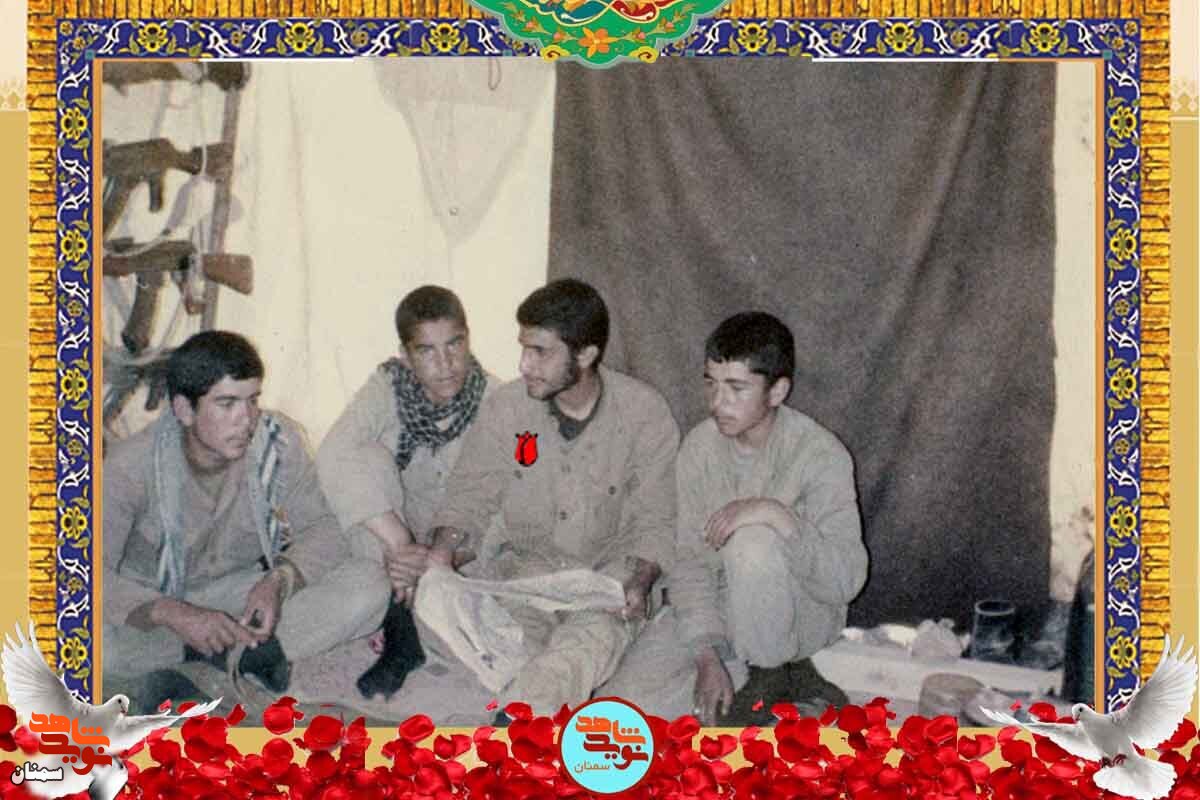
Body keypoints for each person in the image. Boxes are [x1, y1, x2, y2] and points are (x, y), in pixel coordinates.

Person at [421, 278, 680, 715]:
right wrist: (441, 555)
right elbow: (470, 493)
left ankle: (518, 720)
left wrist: (640, 581)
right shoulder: (507, 407)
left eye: (541, 352)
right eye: (524, 348)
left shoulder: (644, 414)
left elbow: (659, 518)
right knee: (470, 620)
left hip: (605, 582)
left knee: (586, 643)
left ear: (585, 355)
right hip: (526, 576)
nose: (525, 364)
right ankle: (537, 696)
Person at [602, 312, 868, 725]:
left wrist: (776, 515)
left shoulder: (820, 454)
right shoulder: (699, 448)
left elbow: (845, 582)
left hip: (798, 616)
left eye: (736, 389)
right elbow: (690, 563)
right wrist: (706, 654)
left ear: (777, 391)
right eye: (711, 383)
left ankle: (773, 676)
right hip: (721, 609)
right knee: (619, 709)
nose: (717, 403)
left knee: (753, 538)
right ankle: (797, 688)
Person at [102, 331, 389, 707]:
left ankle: (215, 661)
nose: (247, 420)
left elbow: (323, 527)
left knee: (370, 585)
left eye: (252, 400)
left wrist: (279, 580)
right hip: (158, 605)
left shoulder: (276, 442)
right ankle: (246, 656)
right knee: (91, 646)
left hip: (239, 594)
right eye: (227, 404)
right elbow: (86, 574)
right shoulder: (130, 465)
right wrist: (172, 613)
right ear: (184, 410)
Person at [317, 285, 498, 700]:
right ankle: (403, 621)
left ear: (469, 339)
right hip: (395, 539)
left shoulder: (496, 399)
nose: (445, 364)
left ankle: (401, 615)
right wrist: (401, 544)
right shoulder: (389, 385)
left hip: (459, 544)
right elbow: (334, 454)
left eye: (454, 345)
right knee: (364, 458)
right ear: (405, 355)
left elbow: (500, 502)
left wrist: (442, 556)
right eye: (427, 351)